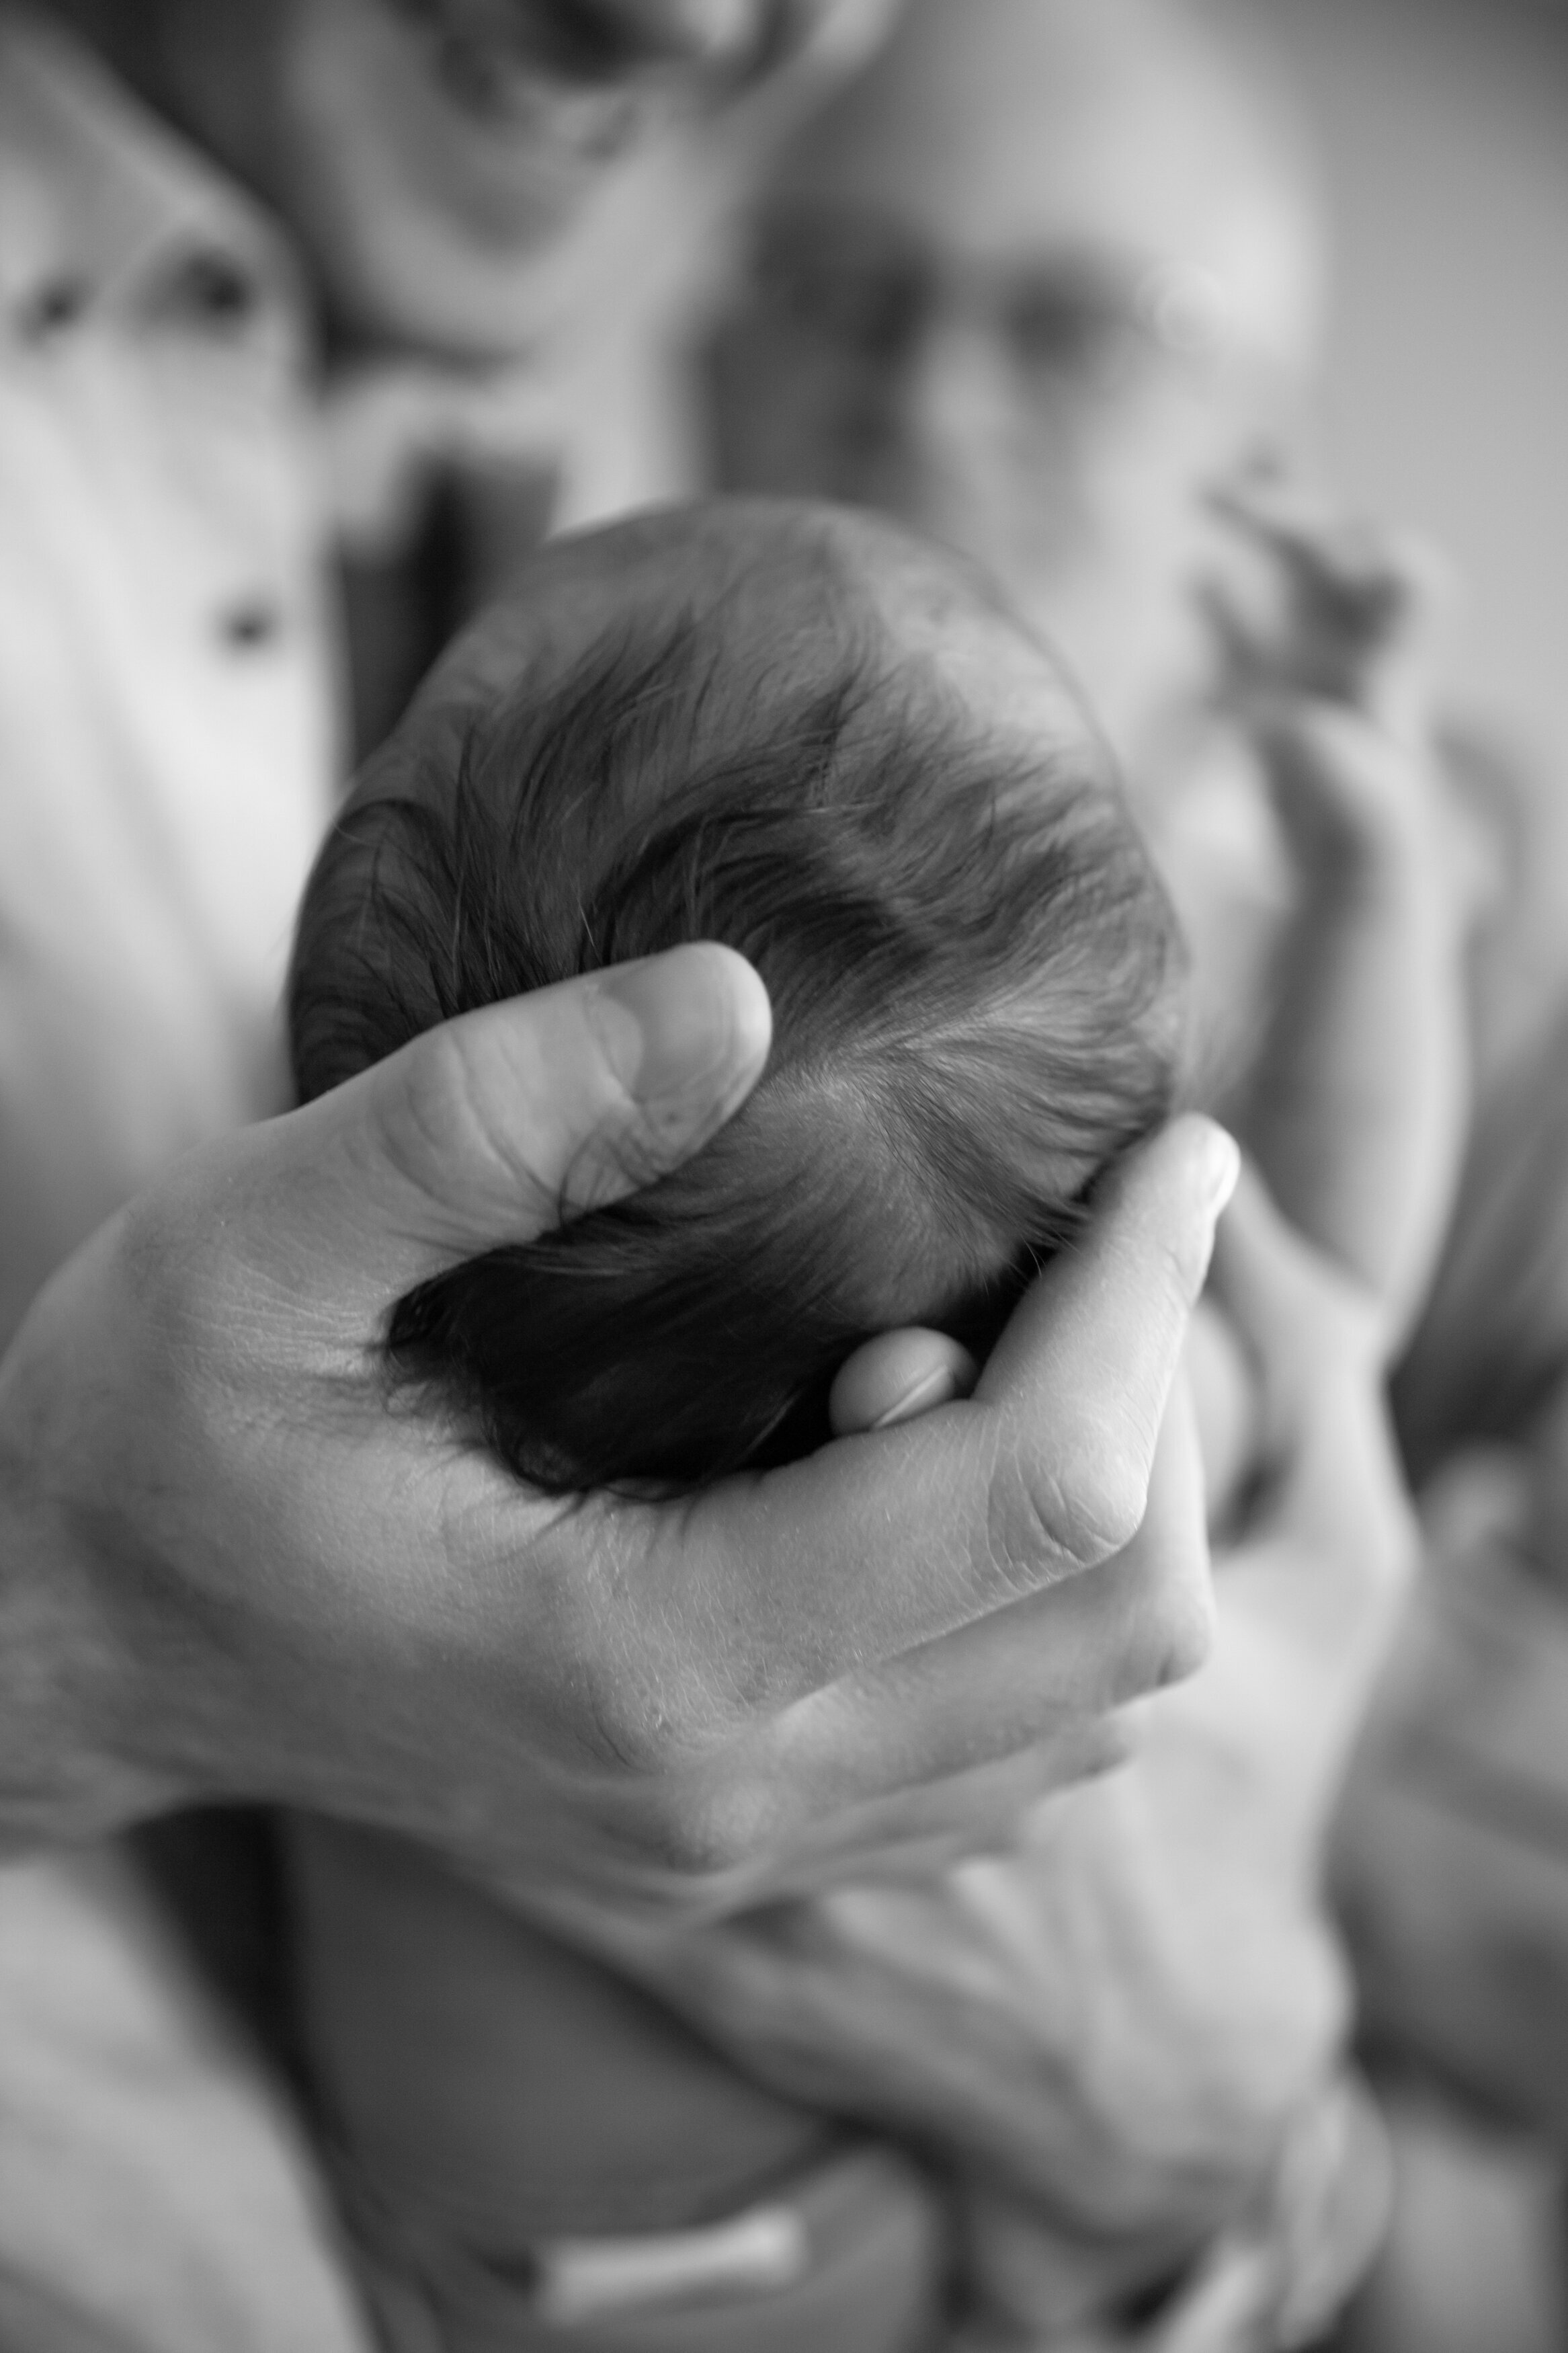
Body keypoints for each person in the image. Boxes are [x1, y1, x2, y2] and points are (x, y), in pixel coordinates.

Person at [0, 3, 1236, 2342]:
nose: (690, 21)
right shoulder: (1075, 1402)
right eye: (856, 289)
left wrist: (1217, 2168)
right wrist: (80, 1650)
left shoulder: (523, 525)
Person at [274, 491, 1440, 2350]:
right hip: (936, 2189)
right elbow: (1339, 1282)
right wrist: (1380, 882)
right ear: (1129, 1168)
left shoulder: (309, 1456)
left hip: (545, 2245)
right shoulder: (1140, 1416)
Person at [702, 0, 1568, 2329]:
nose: (929, 403)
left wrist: (1233, 2169)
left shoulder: (1471, 1039)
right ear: (708, 377)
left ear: (1264, 460)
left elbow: (1306, 1280)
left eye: (1080, 330)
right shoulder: (576, 841)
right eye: (845, 295)